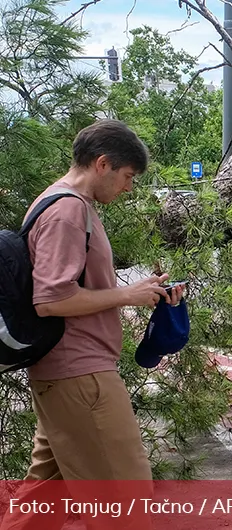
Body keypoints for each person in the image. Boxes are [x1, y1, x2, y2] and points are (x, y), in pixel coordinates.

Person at [0, 120, 185, 530]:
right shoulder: (68, 210)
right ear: (103, 164)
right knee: (126, 502)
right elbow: (51, 300)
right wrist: (126, 296)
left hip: (65, 377)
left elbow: (70, 287)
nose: (128, 188)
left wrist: (140, 290)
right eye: (127, 177)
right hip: (80, 375)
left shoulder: (61, 203)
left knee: (40, 502)